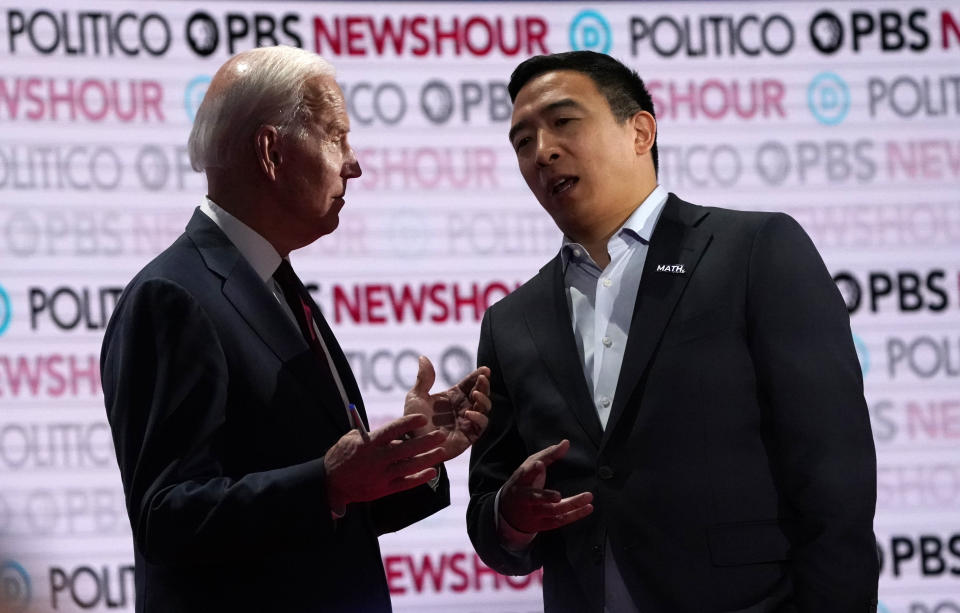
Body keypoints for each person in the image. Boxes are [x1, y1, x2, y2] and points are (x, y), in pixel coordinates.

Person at [466, 51, 879, 612]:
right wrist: (510, 521)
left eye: (563, 122)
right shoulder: (511, 320)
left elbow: (834, 476)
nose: (543, 151)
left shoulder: (755, 252)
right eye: (522, 141)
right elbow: (496, 524)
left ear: (640, 132)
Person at [101, 45, 491, 613]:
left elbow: (326, 517)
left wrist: (413, 456)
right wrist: (326, 484)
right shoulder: (174, 297)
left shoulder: (276, 283)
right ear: (271, 150)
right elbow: (166, 518)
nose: (353, 164)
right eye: (337, 136)